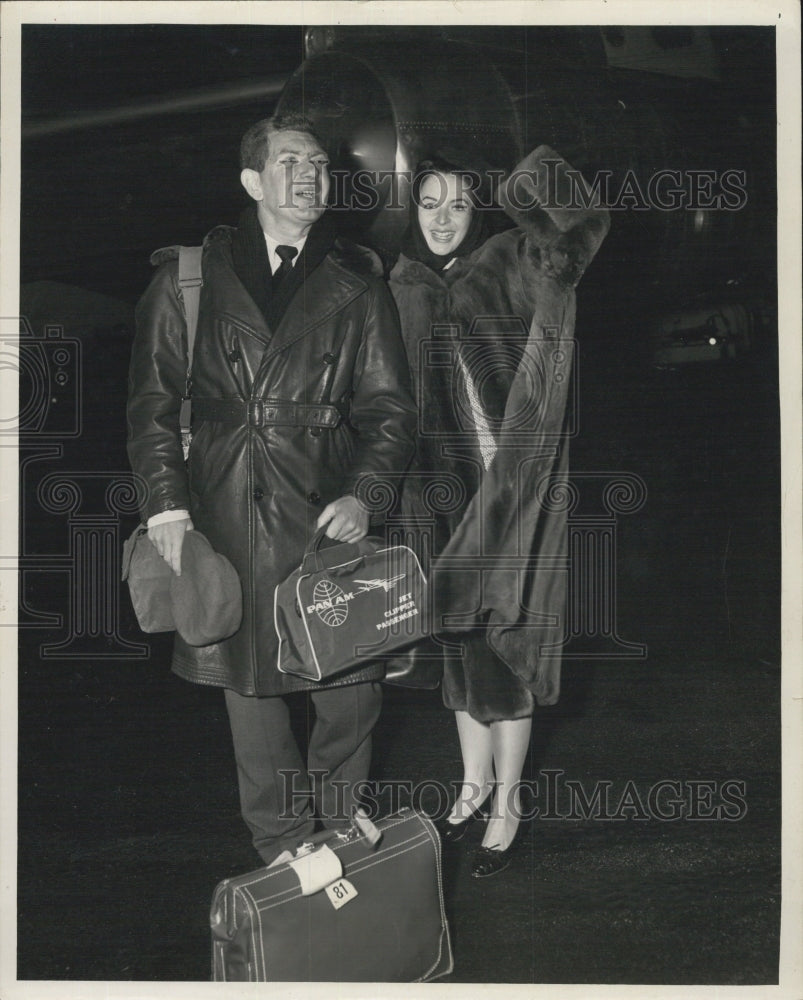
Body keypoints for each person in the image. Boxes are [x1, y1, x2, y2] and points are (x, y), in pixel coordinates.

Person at [127, 113, 416, 868]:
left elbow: (390, 414)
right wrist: (166, 504)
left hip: (324, 508)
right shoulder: (188, 276)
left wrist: (365, 496)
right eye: (290, 162)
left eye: (319, 164)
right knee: (251, 690)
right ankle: (285, 846)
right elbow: (152, 405)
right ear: (254, 181)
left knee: (350, 685)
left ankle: (341, 820)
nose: (309, 175)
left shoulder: (358, 282)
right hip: (227, 510)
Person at [388, 148, 609, 877]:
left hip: (512, 490)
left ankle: (508, 801)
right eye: (428, 203)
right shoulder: (403, 285)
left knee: (507, 642)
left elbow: (578, 230)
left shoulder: (514, 260)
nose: (443, 217)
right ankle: (471, 786)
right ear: (410, 211)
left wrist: (533, 181)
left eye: (456, 202)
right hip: (440, 496)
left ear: (476, 208)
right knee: (459, 646)